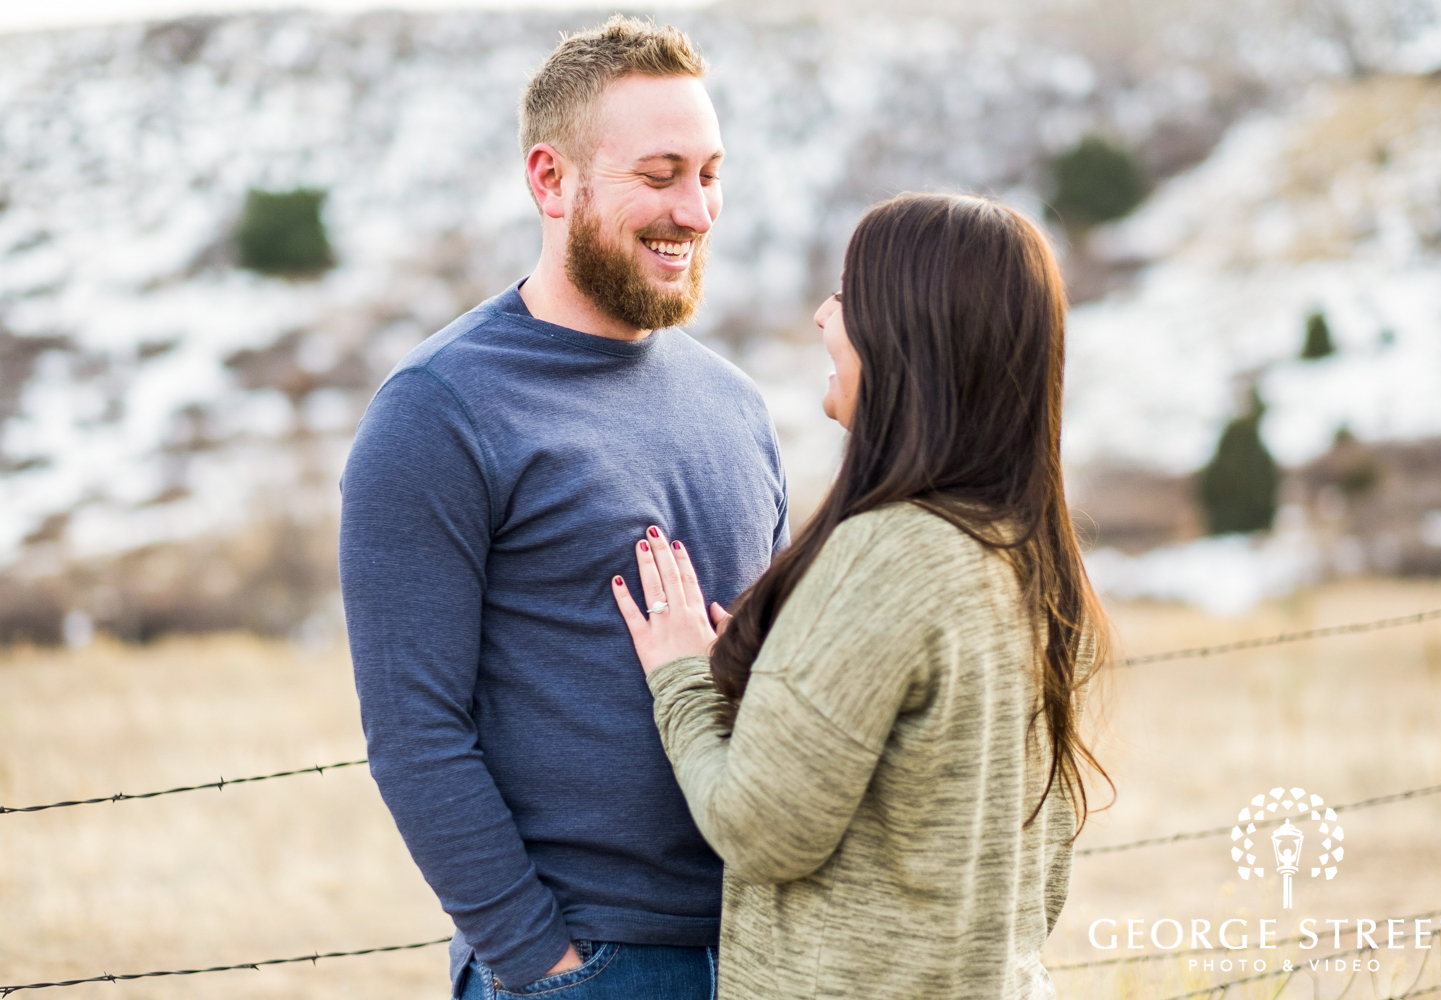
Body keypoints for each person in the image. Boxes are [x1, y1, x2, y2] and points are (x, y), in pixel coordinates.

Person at [339, 17, 787, 1000]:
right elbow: (415, 734)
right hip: (592, 961)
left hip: (772, 953)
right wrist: (544, 966)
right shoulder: (440, 411)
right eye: (660, 175)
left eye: (710, 174)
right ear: (551, 180)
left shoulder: (736, 406)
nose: (696, 210)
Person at [611, 193, 1111, 999]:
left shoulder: (887, 556)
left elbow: (758, 829)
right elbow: (1035, 877)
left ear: (910, 333)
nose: (822, 315)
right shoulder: (1032, 563)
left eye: (847, 294)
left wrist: (682, 681)